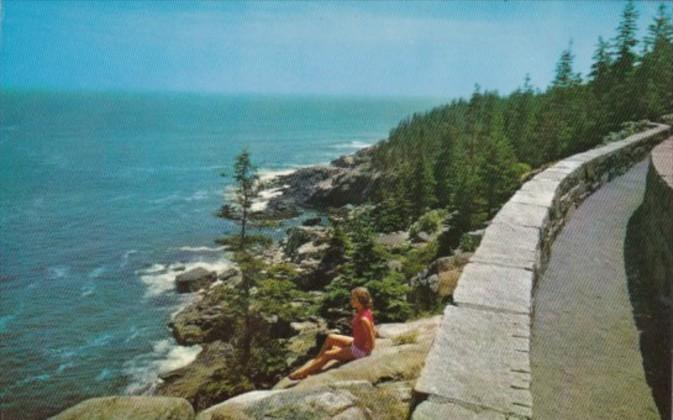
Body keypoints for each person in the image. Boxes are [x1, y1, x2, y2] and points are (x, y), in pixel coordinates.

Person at [288, 287, 376, 380]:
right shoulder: (365, 311)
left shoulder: (363, 319)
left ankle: (302, 373)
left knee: (328, 354)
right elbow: (373, 328)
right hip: (356, 343)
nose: (351, 300)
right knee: (331, 337)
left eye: (353, 298)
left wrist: (364, 353)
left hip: (359, 350)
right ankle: (316, 364)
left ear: (360, 300)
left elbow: (371, 339)